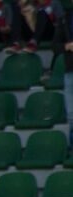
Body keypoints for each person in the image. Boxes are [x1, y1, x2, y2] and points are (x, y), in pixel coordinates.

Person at [53, 3, 73, 147]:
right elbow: (55, 46)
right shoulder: (65, 19)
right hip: (70, 71)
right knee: (72, 115)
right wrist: (67, 46)